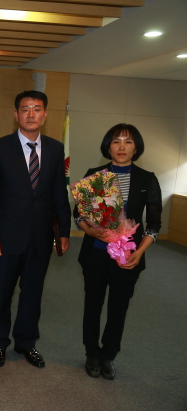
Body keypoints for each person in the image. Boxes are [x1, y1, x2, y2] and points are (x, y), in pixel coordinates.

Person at [0, 90, 71, 369]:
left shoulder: (56, 149)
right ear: (16, 114)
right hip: (6, 237)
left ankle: (26, 342)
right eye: (25, 109)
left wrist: (64, 231)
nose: (31, 114)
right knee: (2, 294)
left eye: (36, 109)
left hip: (40, 237)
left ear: (45, 114)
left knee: (32, 294)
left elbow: (59, 193)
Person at [75, 124, 161, 380]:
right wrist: (92, 232)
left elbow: (154, 224)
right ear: (108, 146)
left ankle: (109, 355)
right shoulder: (94, 174)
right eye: (116, 141)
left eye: (128, 141)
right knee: (92, 304)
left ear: (136, 147)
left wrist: (140, 252)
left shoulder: (147, 179)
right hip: (96, 253)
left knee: (118, 308)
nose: (122, 146)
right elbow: (78, 215)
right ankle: (92, 353)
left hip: (128, 256)